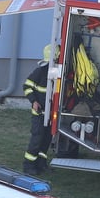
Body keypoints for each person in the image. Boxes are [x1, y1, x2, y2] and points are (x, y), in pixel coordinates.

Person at [23, 44, 56, 175]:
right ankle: (28, 166)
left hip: (50, 113)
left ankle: (41, 164)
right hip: (39, 113)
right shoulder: (40, 71)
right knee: (37, 139)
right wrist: (34, 101)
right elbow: (26, 86)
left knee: (46, 139)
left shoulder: (56, 73)